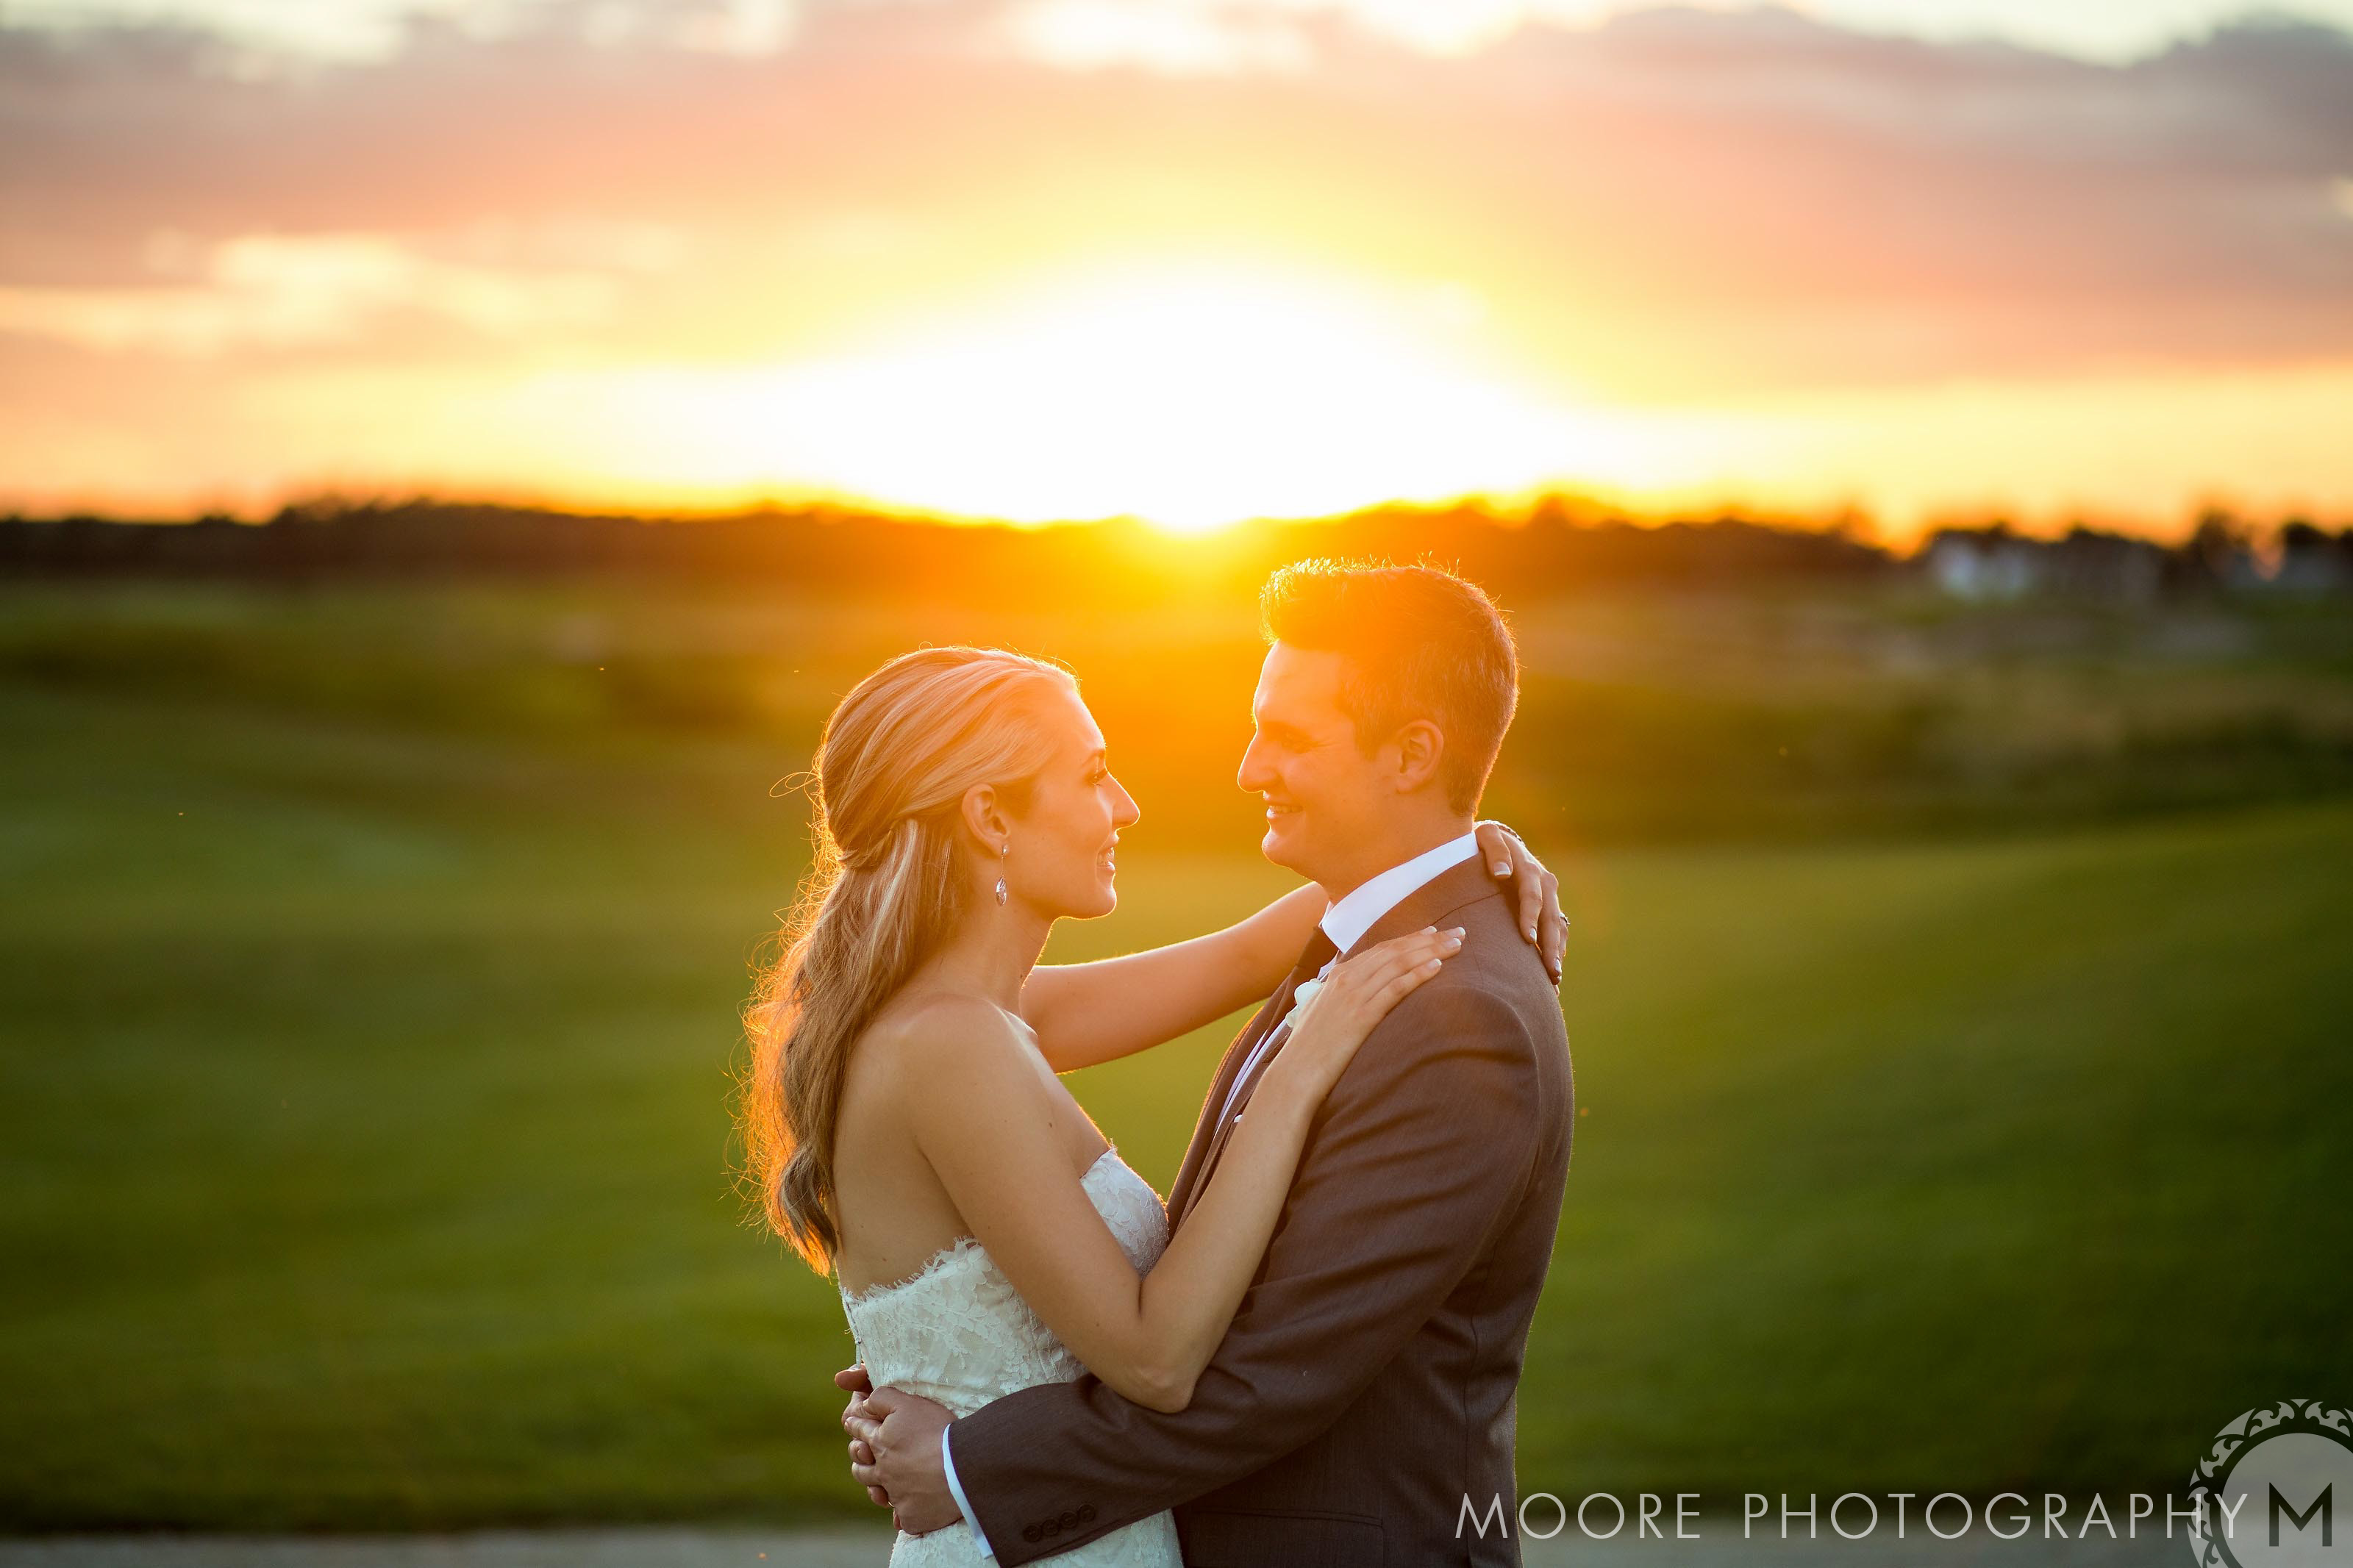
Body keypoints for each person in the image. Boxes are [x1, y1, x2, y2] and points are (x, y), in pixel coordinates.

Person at [811, 561, 1574, 1566]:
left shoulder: (1453, 1016)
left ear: (1413, 752)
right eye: (1091, 776)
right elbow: (1161, 1354)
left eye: (1288, 738)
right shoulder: (956, 1034)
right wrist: (964, 1418)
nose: (1129, 804)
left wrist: (1461, 840)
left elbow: (1252, 955)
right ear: (991, 819)